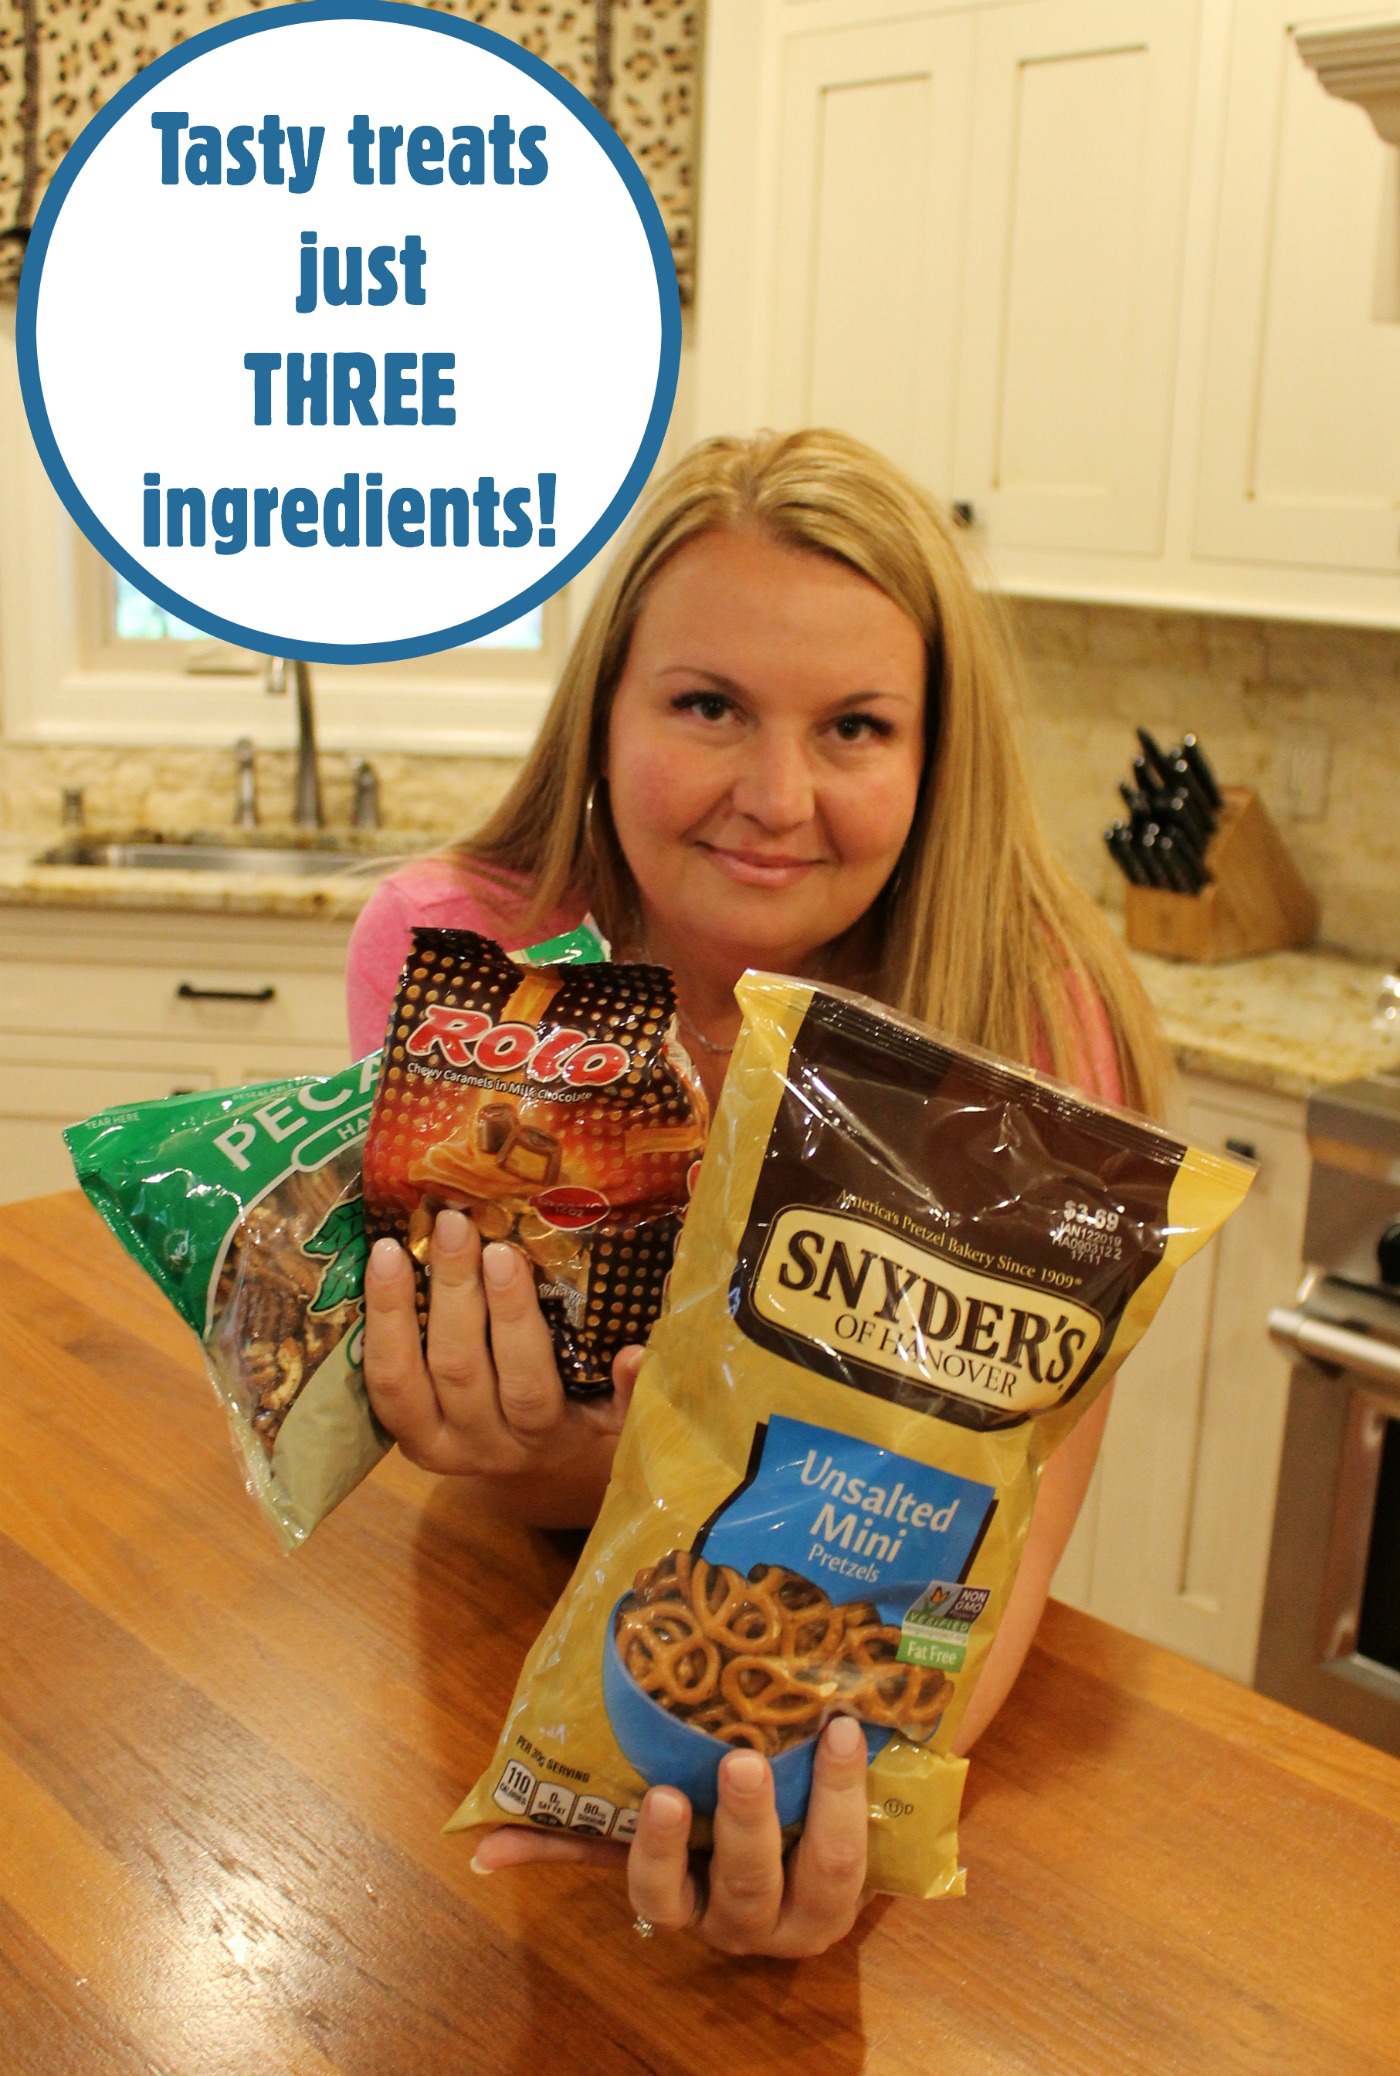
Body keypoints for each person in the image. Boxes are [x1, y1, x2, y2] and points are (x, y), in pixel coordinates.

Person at [350, 428, 1169, 1957]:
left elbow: (1003, 1534)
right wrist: (499, 1445)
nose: (776, 797)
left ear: (936, 758)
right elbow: (480, 1471)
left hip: (848, 1706)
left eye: (855, 726)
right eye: (709, 706)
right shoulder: (471, 963)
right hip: (493, 1640)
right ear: (604, 713)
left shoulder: (1025, 1018)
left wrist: (837, 1828)